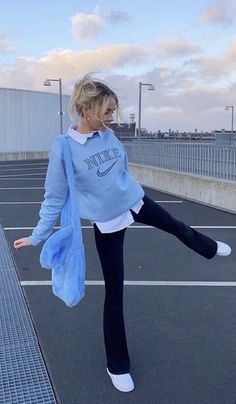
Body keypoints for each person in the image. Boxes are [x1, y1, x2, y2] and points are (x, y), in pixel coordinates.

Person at [14, 73, 231, 393]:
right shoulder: (64, 148)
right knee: (114, 295)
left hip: (136, 201)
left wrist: (128, 189)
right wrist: (38, 234)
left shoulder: (108, 136)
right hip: (107, 222)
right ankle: (117, 364)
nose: (113, 118)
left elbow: (121, 169)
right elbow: (54, 196)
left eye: (114, 111)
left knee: (176, 225)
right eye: (107, 112)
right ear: (86, 110)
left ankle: (208, 248)